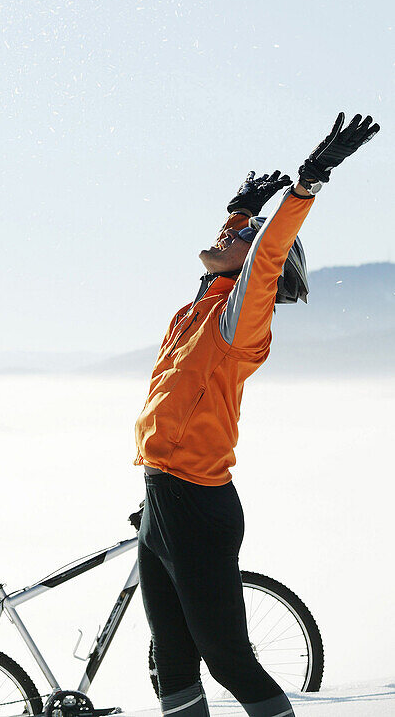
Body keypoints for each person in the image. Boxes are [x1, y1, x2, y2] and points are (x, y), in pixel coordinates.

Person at [133, 113, 379, 717]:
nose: (225, 240)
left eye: (236, 241)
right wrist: (240, 212)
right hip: (162, 496)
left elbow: (263, 259)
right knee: (172, 659)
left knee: (228, 659)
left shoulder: (238, 324)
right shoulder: (201, 308)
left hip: (197, 501)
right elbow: (236, 253)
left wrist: (309, 183)